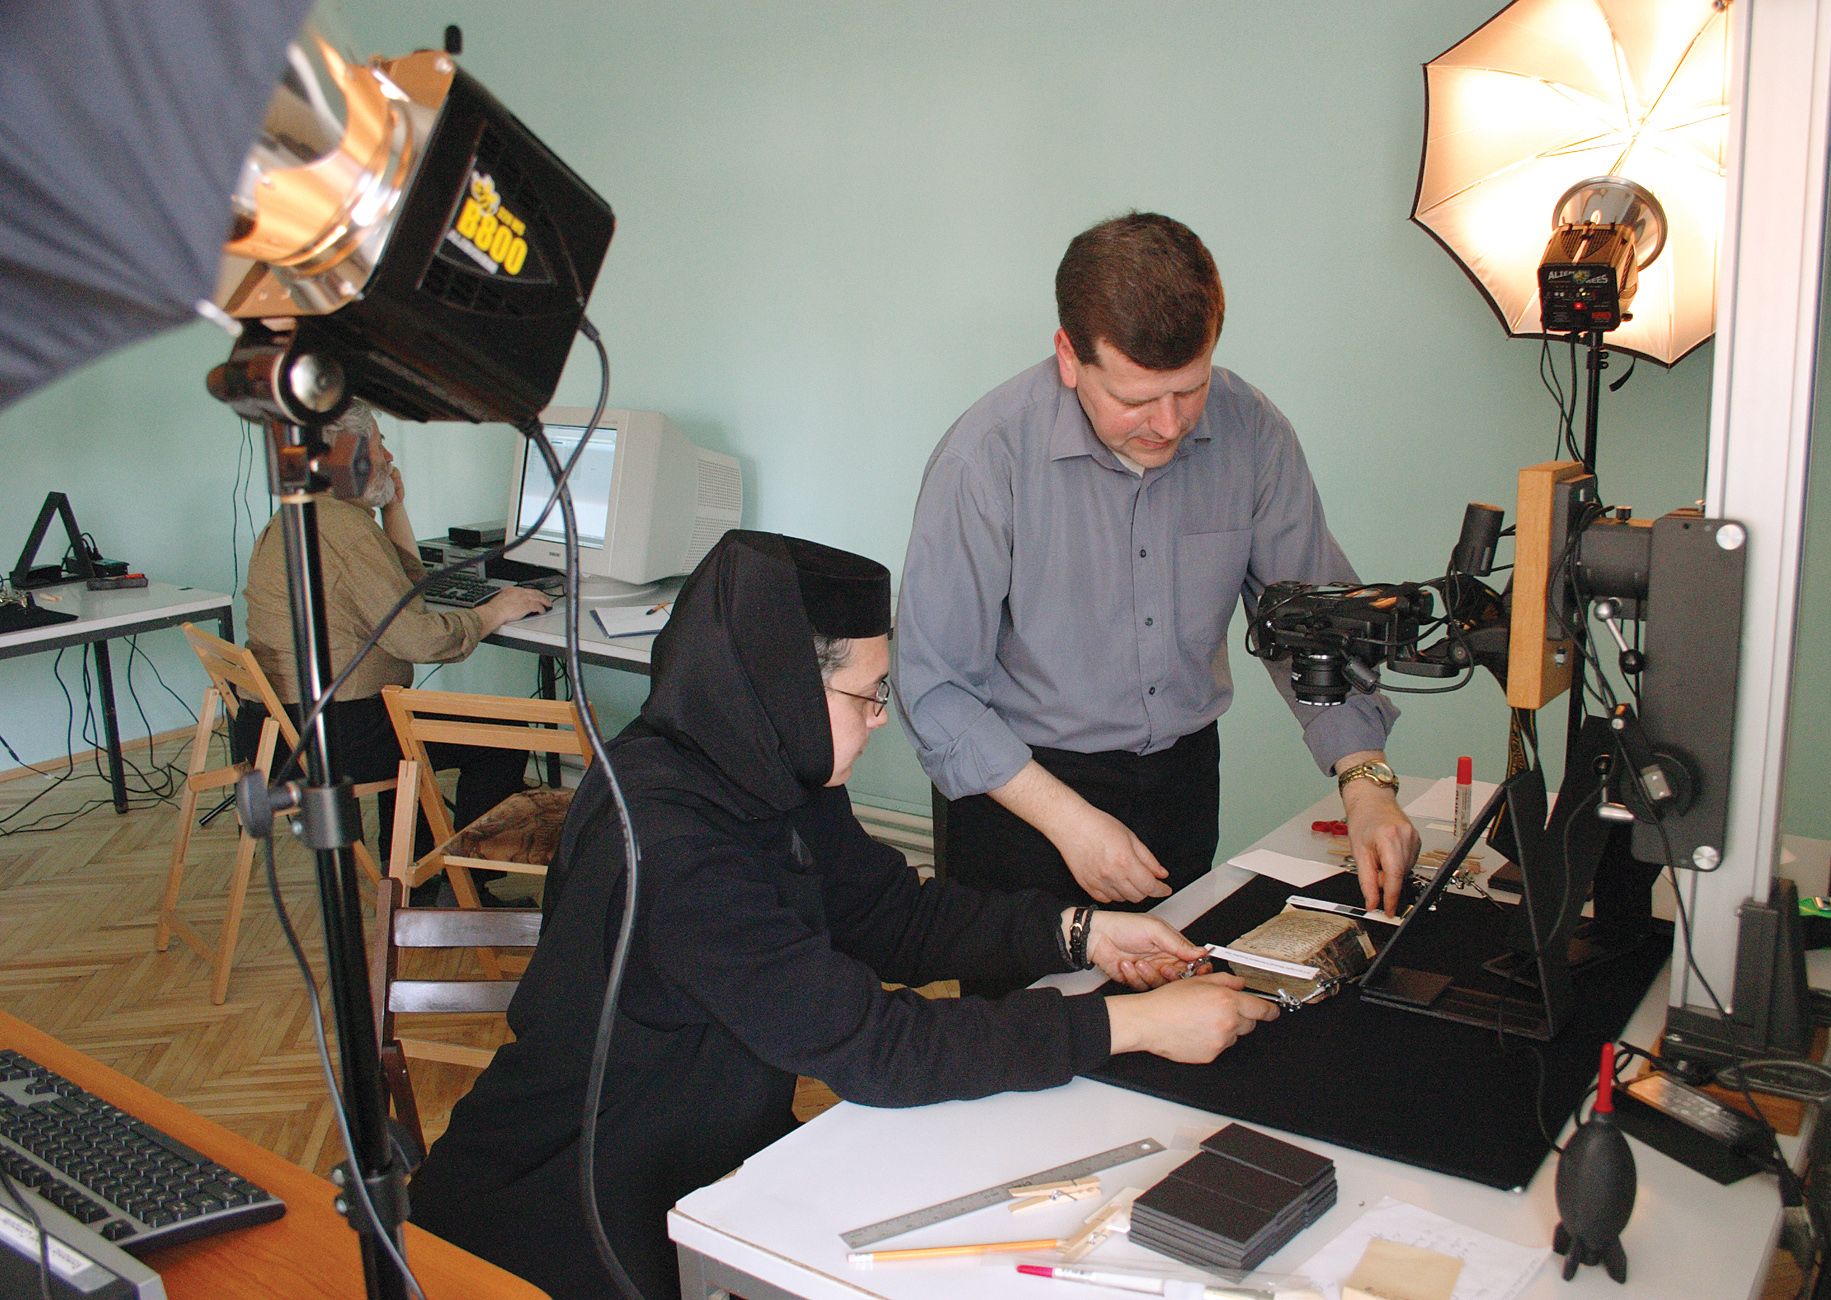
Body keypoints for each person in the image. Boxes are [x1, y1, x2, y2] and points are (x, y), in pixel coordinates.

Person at [407, 530, 1276, 1299]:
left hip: (705, 1162)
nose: (879, 720)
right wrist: (1132, 1024)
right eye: (868, 696)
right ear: (783, 686)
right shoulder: (671, 840)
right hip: (560, 1220)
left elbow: (888, 914)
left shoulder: (765, 767)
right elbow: (875, 1047)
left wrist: (1076, 932)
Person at [895, 212, 1421, 934]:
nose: (1170, 425)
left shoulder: (1252, 432)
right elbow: (935, 686)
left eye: (1191, 388)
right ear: (1069, 357)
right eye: (1137, 400)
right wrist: (1072, 824)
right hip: (1019, 796)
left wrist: (1365, 781)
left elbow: (1312, 624)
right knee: (1031, 1036)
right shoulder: (984, 459)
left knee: (1177, 1019)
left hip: (1180, 783)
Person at [240, 401, 552, 899]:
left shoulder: (307, 517)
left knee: (404, 715)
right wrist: (494, 611)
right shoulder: (344, 531)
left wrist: (393, 507)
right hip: (332, 735)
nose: (388, 455)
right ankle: (461, 887)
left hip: (278, 731)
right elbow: (419, 637)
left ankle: (416, 877)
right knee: (503, 734)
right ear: (347, 458)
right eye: (379, 444)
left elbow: (408, 596)